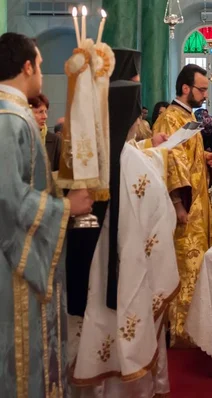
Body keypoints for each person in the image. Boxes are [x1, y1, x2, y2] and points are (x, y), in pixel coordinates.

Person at [69, 73, 179, 398]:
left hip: (92, 267)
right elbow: (161, 215)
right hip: (131, 265)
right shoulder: (135, 162)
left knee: (97, 319)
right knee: (130, 315)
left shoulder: (88, 158)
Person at [0, 32, 94, 398]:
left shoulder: (16, 115)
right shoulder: (10, 120)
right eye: (40, 65)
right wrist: (66, 207)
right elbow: (8, 196)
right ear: (26, 66)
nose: (41, 72)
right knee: (20, 358)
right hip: (13, 267)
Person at [152, 64, 212, 347]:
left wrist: (204, 157)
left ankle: (195, 325)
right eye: (202, 89)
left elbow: (187, 156)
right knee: (184, 266)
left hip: (198, 204)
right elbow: (170, 163)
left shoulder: (187, 116)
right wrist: (178, 204)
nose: (205, 95)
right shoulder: (169, 119)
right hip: (184, 207)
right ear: (186, 88)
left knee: (197, 264)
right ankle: (181, 330)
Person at [29, 93, 62, 171]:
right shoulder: (18, 140)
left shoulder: (55, 141)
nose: (45, 116)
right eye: (40, 112)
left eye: (45, 112)